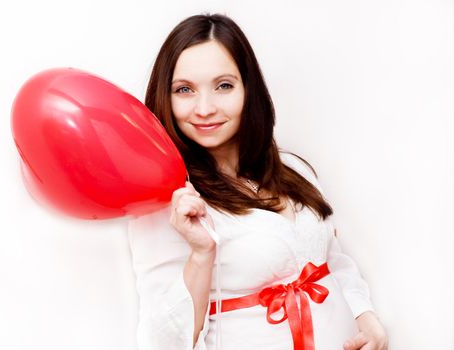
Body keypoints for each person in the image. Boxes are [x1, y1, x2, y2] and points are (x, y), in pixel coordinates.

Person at [127, 13, 388, 350]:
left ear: (248, 89)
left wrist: (365, 317)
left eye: (223, 86)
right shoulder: (167, 203)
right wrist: (201, 254)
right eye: (185, 90)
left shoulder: (293, 168)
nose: (204, 108)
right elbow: (165, 342)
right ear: (165, 96)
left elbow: (330, 259)